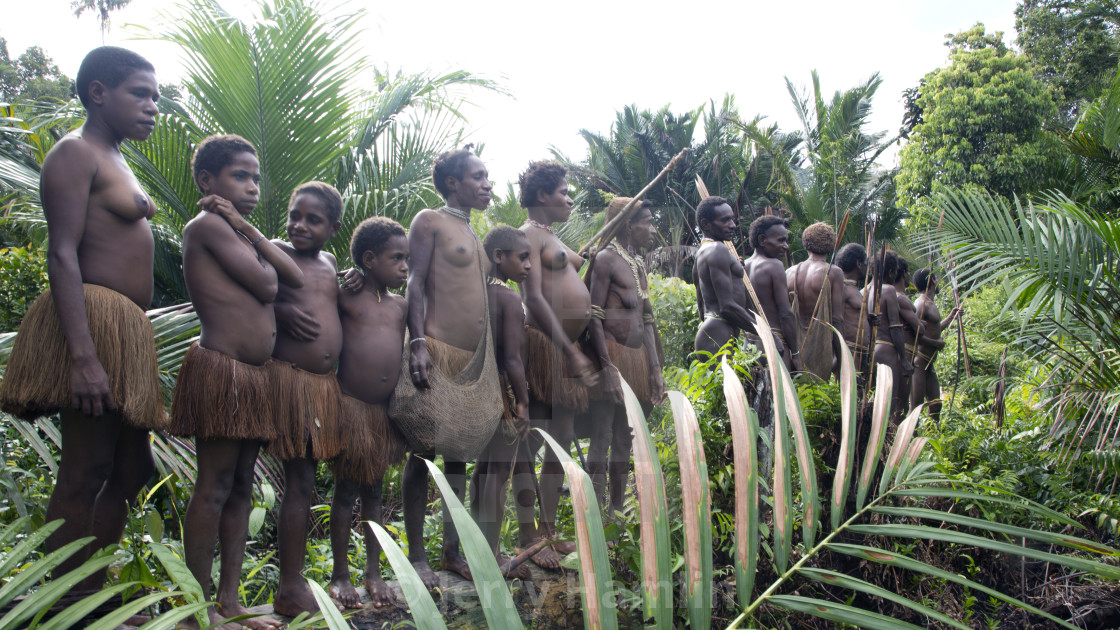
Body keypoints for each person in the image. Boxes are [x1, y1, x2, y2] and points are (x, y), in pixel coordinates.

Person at [0, 46, 164, 591]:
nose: (152, 106)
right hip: (92, 327)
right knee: (85, 469)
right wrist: (83, 355)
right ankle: (71, 605)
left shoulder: (115, 157)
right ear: (99, 93)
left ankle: (94, 591)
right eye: (139, 93)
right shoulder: (75, 153)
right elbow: (61, 253)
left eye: (156, 97)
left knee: (134, 468)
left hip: (125, 333)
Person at [169, 133, 303, 630]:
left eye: (255, 177)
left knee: (243, 485)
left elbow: (293, 275)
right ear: (208, 181)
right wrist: (238, 227)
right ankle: (195, 607)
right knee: (215, 484)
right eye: (239, 176)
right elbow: (270, 283)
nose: (253, 186)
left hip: (252, 379)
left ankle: (229, 602)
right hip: (223, 371)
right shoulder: (206, 225)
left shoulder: (236, 228)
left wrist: (245, 224)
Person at [400, 146, 496, 588]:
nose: (486, 184)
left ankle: (451, 552)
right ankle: (417, 558)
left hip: (471, 360)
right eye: (478, 176)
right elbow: (414, 281)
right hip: (434, 351)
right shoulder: (429, 221)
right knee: (422, 453)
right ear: (453, 183)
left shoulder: (474, 234)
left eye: (487, 176)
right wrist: (417, 341)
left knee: (458, 457)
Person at [265, 182, 345, 617]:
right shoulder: (275, 250)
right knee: (288, 483)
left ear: (332, 227)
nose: (300, 225)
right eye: (296, 215)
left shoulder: (332, 263)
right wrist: (279, 308)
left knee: (304, 483)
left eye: (313, 220)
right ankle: (285, 585)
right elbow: (243, 288)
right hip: (287, 381)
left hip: (321, 387)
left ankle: (291, 584)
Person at [518, 160, 599, 569]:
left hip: (565, 349)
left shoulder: (552, 236)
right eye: (564, 192)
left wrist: (586, 257)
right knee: (535, 440)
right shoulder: (526, 235)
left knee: (562, 439)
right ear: (542, 196)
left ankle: (549, 530)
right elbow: (532, 297)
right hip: (545, 347)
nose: (569, 198)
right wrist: (567, 347)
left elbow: (573, 269)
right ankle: (527, 535)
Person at [329, 217, 410, 608]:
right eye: (396, 258)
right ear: (368, 259)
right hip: (350, 410)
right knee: (345, 491)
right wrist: (346, 274)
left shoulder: (401, 306)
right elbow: (309, 270)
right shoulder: (346, 295)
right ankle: (340, 575)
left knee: (375, 493)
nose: (404, 267)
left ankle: (374, 573)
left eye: (407, 259)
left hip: (382, 415)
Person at [585, 197, 666, 516]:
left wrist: (655, 368)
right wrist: (605, 367)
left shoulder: (638, 264)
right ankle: (593, 513)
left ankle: (616, 514)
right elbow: (593, 315)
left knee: (625, 437)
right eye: (647, 222)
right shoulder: (605, 259)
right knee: (602, 433)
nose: (652, 229)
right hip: (612, 356)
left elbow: (646, 318)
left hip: (638, 359)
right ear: (628, 226)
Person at [470, 225, 533, 580]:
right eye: (521, 258)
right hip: (500, 394)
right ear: (498, 257)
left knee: (482, 471)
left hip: (474, 389)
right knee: (497, 474)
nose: (528, 266)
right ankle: (490, 556)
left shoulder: (473, 292)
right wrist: (522, 402)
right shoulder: (507, 298)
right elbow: (512, 358)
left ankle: (478, 547)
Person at [692, 196, 757, 356]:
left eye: (733, 220)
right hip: (717, 335)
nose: (733, 225)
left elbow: (702, 311)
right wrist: (766, 335)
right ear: (706, 224)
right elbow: (727, 307)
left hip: (713, 333)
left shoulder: (701, 254)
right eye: (725, 220)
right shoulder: (717, 249)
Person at [785, 222, 844, 380]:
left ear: (806, 244)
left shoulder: (789, 273)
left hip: (793, 346)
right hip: (820, 347)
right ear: (831, 245)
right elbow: (837, 319)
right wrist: (841, 355)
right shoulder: (833, 272)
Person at [742, 215, 801, 372]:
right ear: (762, 240)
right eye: (781, 240)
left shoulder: (742, 266)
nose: (786, 246)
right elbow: (786, 314)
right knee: (783, 395)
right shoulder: (774, 266)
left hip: (748, 345)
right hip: (774, 345)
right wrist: (795, 353)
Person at [910, 268, 961, 422]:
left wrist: (951, 317)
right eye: (936, 279)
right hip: (919, 362)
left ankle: (933, 440)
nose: (938, 282)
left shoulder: (930, 303)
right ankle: (910, 440)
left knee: (936, 405)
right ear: (932, 281)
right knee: (916, 407)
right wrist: (935, 344)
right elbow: (914, 335)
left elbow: (934, 329)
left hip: (929, 364)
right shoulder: (921, 304)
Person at [869, 251, 914, 422]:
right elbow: (895, 327)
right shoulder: (888, 290)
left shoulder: (864, 290)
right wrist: (903, 359)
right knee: (890, 404)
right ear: (890, 272)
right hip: (887, 349)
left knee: (872, 400)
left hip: (870, 349)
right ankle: (889, 444)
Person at [835, 243, 875, 374]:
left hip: (860, 352)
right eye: (865, 263)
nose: (867, 267)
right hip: (850, 352)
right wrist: (842, 355)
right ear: (859, 263)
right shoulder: (843, 288)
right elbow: (837, 319)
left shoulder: (854, 289)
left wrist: (870, 320)